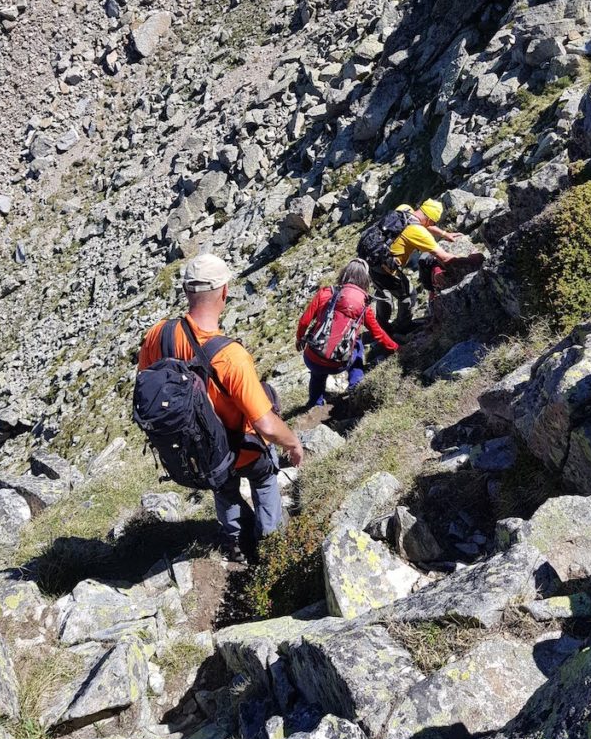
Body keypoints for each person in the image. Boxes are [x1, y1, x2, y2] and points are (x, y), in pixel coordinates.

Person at [138, 253, 304, 562]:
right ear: (224, 292)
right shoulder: (230, 356)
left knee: (224, 487)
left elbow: (147, 384)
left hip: (201, 452)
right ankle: (271, 544)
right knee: (265, 475)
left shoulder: (157, 335)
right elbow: (266, 425)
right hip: (242, 448)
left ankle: (236, 541)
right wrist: (293, 443)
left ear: (187, 292)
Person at [296, 258, 399, 408]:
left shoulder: (325, 293)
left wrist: (300, 339)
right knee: (357, 346)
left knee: (317, 373)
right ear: (365, 279)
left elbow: (304, 322)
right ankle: (355, 389)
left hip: (313, 357)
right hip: (339, 363)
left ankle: (314, 404)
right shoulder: (363, 305)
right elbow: (378, 334)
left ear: (344, 274)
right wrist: (396, 348)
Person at [357, 198, 463, 329]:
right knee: (409, 294)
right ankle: (403, 326)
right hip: (386, 269)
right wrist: (470, 259)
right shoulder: (418, 232)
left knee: (383, 293)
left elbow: (423, 222)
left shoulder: (404, 208)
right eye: (433, 222)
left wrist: (444, 233)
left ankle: (382, 325)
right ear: (430, 220)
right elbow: (444, 257)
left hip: (372, 259)